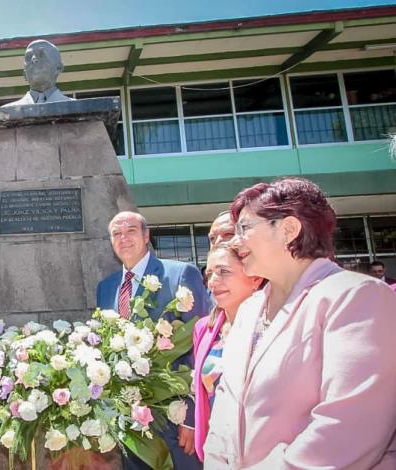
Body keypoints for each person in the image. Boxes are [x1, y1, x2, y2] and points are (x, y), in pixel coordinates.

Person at [204, 177, 396, 469]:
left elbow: (347, 428)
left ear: (288, 230)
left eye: (245, 228)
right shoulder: (249, 310)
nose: (233, 241)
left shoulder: (356, 298)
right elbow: (224, 414)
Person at [96, 211, 211, 470]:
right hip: (130, 420)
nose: (123, 238)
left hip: (175, 417)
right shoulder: (106, 287)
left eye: (131, 231)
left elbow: (199, 347)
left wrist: (191, 417)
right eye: (117, 234)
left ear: (146, 235)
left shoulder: (180, 275)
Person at [192, 244, 262, 462]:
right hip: (219, 451)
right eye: (209, 274)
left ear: (255, 277)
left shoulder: (274, 327)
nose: (213, 281)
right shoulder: (205, 330)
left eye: (224, 271)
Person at [3, 39, 74, 106]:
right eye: (28, 57)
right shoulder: (6, 112)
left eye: (42, 55)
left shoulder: (76, 107)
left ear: (58, 68)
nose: (34, 59)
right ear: (24, 73)